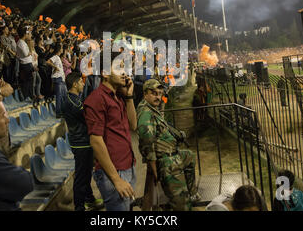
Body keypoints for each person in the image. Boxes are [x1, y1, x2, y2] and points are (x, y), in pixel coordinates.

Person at [83, 54, 137, 211]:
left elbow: (133, 125)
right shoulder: (96, 100)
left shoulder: (118, 97)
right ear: (105, 73)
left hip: (128, 165)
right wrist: (116, 180)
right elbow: (96, 141)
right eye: (119, 67)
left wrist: (129, 97)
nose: (124, 72)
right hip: (113, 172)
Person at [137, 79, 200, 211]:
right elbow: (146, 142)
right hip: (167, 163)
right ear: (145, 94)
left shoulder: (151, 109)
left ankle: (192, 193)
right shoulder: (146, 113)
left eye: (159, 93)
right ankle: (185, 198)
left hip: (172, 156)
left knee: (189, 156)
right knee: (182, 204)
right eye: (154, 93)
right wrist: (154, 168)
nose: (158, 97)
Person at [63, 72, 103, 211]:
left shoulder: (75, 98)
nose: (83, 84)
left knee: (86, 174)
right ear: (74, 84)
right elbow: (87, 116)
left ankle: (89, 199)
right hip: (80, 143)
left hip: (84, 141)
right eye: (81, 81)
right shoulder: (71, 100)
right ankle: (79, 206)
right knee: (81, 176)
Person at [47, 44, 66, 118]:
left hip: (61, 78)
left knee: (63, 96)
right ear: (59, 49)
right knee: (59, 96)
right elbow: (48, 62)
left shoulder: (58, 57)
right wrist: (55, 67)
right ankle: (58, 113)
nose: (62, 49)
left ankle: (62, 111)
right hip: (57, 78)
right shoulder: (55, 57)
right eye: (61, 48)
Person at [16, 26, 34, 100]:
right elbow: (26, 53)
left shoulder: (23, 42)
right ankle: (26, 97)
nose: (29, 35)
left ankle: (29, 96)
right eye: (28, 34)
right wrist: (30, 51)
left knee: (30, 81)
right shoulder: (20, 42)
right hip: (25, 65)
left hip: (28, 64)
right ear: (24, 34)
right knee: (26, 82)